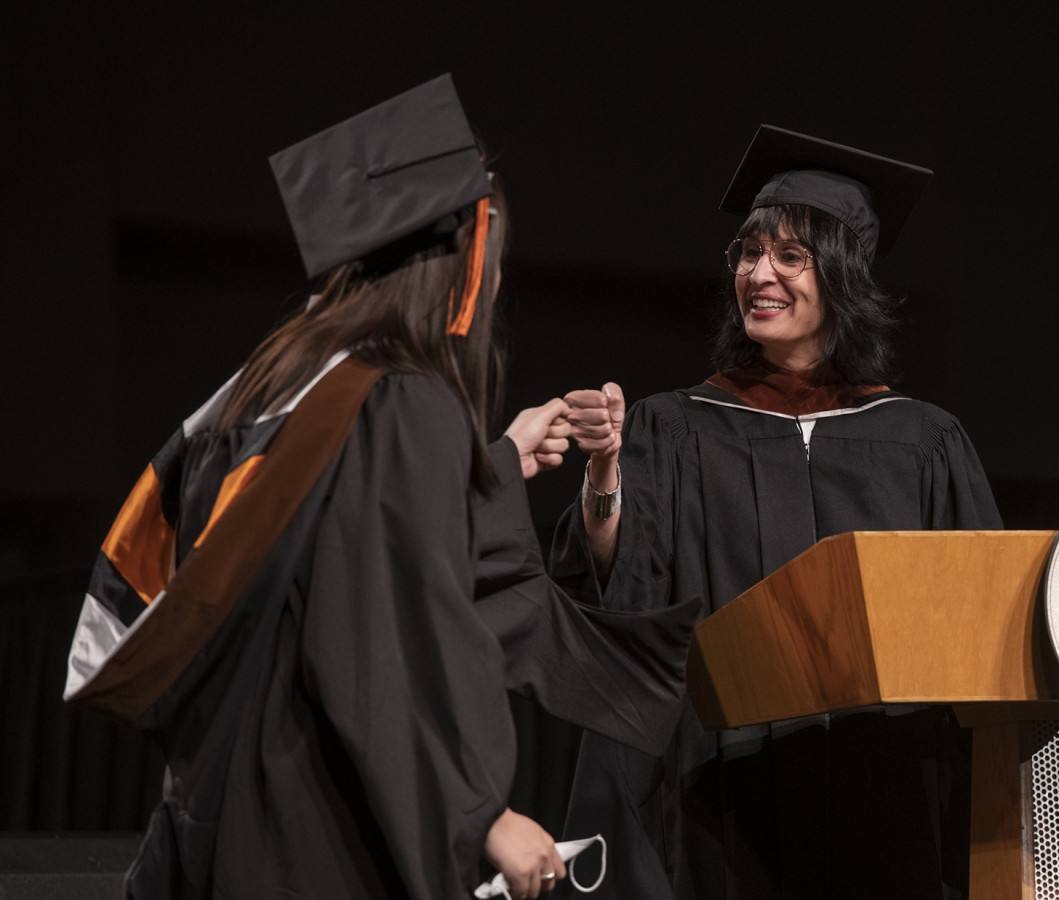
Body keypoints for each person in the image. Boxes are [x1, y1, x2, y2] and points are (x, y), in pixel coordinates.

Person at [62, 75, 692, 900]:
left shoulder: (272, 388)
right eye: (490, 260)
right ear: (457, 268)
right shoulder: (402, 401)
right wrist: (480, 815)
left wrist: (493, 462)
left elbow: (325, 549)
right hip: (317, 828)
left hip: (219, 815)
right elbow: (382, 632)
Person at [552, 125, 1003, 900]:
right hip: (721, 801)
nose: (761, 274)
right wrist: (604, 473)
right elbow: (620, 581)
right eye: (749, 253)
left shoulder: (921, 440)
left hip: (886, 795)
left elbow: (982, 624)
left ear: (843, 274)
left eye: (791, 256)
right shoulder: (676, 425)